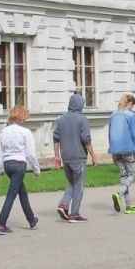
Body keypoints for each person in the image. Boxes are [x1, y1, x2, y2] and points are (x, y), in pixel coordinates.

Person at [0, 105, 40, 233]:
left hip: (7, 165)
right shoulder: (25, 132)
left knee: (21, 192)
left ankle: (31, 219)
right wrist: (36, 169)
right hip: (19, 164)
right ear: (22, 117)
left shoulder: (4, 131)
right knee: (11, 195)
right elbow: (30, 154)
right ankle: (1, 224)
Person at [53, 93, 97, 222]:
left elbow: (56, 137)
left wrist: (57, 156)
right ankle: (74, 213)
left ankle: (63, 204)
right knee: (79, 185)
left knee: (72, 182)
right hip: (78, 157)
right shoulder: (82, 119)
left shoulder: (61, 119)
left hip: (66, 157)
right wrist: (93, 156)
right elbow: (86, 139)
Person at [108, 94, 135, 214]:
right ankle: (120, 193)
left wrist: (111, 148)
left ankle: (129, 205)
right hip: (127, 148)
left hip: (115, 150)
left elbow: (109, 133)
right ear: (131, 103)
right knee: (132, 175)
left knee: (124, 177)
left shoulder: (113, 114)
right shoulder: (130, 115)